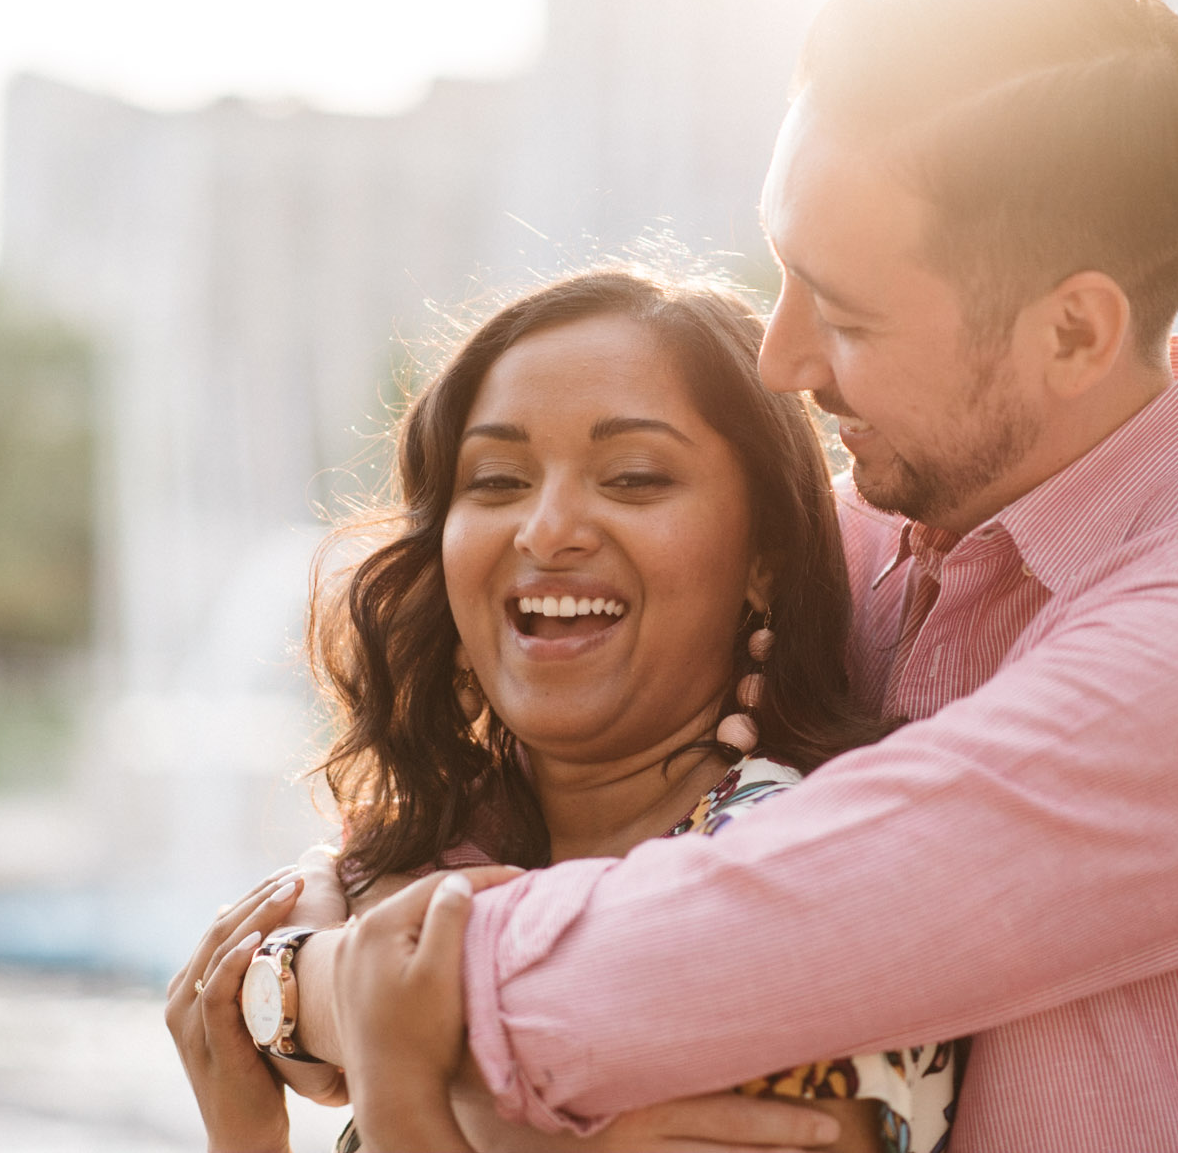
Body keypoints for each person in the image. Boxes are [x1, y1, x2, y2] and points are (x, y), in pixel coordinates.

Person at [286, 0, 1178, 1151]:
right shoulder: (856, 548)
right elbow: (530, 806)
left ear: (1072, 330)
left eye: (842, 314)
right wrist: (339, 919)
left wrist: (306, 986)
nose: (781, 359)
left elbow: (710, 946)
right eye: (783, 275)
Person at [168, 268, 960, 1152]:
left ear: (764, 554)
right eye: (498, 480)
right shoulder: (435, 858)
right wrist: (245, 1125)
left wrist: (399, 1091)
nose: (547, 531)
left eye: (631, 477)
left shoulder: (807, 880)